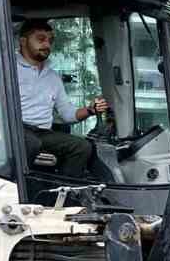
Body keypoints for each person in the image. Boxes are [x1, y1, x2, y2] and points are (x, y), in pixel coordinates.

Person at [15, 19, 105, 177]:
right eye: (41, 39)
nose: (47, 45)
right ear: (23, 41)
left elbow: (67, 113)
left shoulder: (52, 76)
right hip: (16, 130)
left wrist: (90, 110)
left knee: (82, 147)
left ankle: (63, 193)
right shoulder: (8, 68)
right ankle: (21, 188)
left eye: (50, 40)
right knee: (31, 143)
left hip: (43, 133)